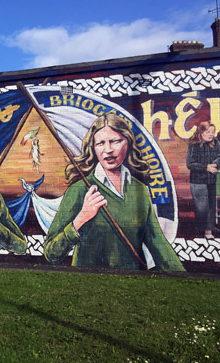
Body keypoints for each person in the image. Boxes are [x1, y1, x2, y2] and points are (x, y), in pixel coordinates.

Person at [44, 113, 184, 271]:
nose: (108, 150)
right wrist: (81, 218)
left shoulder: (139, 189)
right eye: (101, 143)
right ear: (93, 148)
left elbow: (157, 242)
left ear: (128, 142)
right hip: (88, 285)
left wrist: (183, 279)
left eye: (115, 141)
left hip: (132, 285)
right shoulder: (80, 189)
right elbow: (51, 253)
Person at [187, 121, 220, 239]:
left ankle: (209, 228)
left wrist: (215, 165)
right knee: (202, 207)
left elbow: (219, 156)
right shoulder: (194, 145)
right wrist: (206, 167)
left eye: (213, 132)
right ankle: (206, 232)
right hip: (198, 182)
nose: (211, 134)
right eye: (208, 132)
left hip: (211, 180)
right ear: (201, 132)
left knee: (211, 206)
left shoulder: (216, 143)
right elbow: (190, 164)